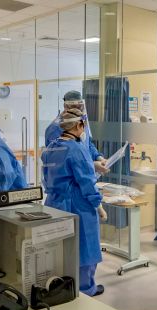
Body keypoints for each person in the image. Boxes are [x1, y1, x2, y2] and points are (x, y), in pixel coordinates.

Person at [41, 108, 107, 297]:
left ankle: (63, 285)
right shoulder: (77, 149)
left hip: (54, 203)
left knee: (62, 249)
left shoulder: (51, 147)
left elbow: (48, 178)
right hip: (77, 205)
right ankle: (86, 289)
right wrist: (98, 205)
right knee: (85, 247)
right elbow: (87, 181)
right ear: (79, 125)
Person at [44, 90, 109, 176]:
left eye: (79, 106)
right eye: (73, 106)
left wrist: (99, 157)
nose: (77, 109)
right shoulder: (55, 129)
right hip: (67, 181)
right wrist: (91, 165)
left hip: (83, 175)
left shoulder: (80, 122)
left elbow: (88, 144)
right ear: (65, 106)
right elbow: (58, 161)